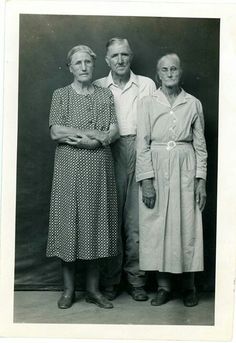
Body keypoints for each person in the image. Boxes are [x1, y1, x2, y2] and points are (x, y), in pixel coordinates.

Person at [46, 45, 120, 310]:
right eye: (78, 63)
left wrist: (96, 140)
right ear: (70, 67)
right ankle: (68, 291)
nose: (84, 67)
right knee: (70, 223)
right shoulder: (61, 95)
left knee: (96, 226)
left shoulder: (105, 95)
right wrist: (90, 133)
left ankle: (93, 290)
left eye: (88, 62)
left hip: (99, 168)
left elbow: (112, 131)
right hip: (69, 169)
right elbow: (56, 131)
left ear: (94, 64)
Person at [136, 53, 207, 307]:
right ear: (158, 74)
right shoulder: (146, 102)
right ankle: (164, 286)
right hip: (156, 167)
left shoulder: (192, 103)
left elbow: (200, 146)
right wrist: (146, 180)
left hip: (185, 167)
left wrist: (201, 180)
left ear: (180, 72)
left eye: (173, 69)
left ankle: (189, 286)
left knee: (187, 225)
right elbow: (141, 144)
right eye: (164, 70)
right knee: (159, 227)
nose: (169, 74)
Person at [94, 38, 156, 301]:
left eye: (124, 55)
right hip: (109, 152)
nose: (120, 60)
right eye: (115, 56)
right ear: (107, 60)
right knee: (110, 220)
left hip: (141, 150)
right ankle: (110, 280)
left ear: (131, 57)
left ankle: (136, 280)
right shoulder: (98, 86)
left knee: (136, 222)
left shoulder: (147, 85)